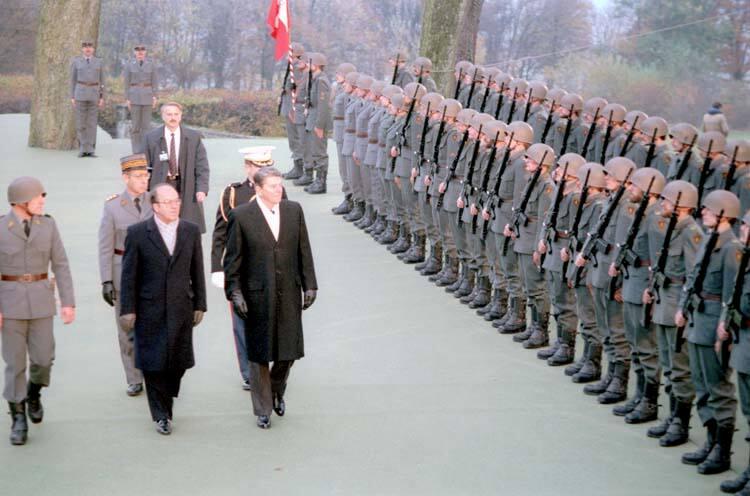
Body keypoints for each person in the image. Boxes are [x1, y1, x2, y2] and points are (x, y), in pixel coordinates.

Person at [223, 167, 317, 429]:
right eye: (273, 186)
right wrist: (235, 292)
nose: (279, 190)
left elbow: (304, 250)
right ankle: (263, 408)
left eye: (280, 185)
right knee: (259, 353)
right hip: (256, 295)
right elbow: (233, 261)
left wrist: (310, 285)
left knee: (288, 351)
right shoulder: (241, 216)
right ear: (258, 188)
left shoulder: (293, 210)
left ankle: (277, 389)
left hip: (288, 291)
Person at [119, 184, 207, 435]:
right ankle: (160, 414)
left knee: (178, 362)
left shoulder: (190, 231)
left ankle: (167, 395)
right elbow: (129, 275)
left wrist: (200, 303)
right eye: (167, 202)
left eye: (176, 201)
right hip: (149, 308)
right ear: (155, 207)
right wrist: (128, 309)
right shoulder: (137, 233)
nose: (174, 205)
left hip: (181, 305)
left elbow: (196, 269)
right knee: (153, 361)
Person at [0, 177, 75, 445]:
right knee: (15, 363)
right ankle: (18, 417)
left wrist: (67, 302)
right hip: (9, 306)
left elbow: (61, 264)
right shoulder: (1, 228)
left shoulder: (48, 225)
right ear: (20, 202)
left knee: (44, 359)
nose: (42, 201)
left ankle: (34, 393)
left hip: (42, 302)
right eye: (37, 197)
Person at [210, 147, 287, 390]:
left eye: (266, 166)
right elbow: (220, 233)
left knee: (275, 319)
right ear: (247, 167)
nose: (261, 171)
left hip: (271, 270)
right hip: (241, 270)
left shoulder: (278, 192)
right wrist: (217, 268)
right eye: (257, 166)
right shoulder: (233, 193)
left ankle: (271, 367)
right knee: (242, 324)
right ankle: (249, 373)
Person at [98, 154, 153, 397]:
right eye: (139, 176)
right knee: (127, 328)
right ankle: (133, 377)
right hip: (124, 274)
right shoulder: (112, 207)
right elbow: (105, 246)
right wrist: (106, 280)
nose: (144, 181)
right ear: (125, 178)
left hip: (153, 272)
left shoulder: (157, 201)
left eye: (146, 176)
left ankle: (153, 372)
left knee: (153, 327)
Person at [144, 102, 210, 233]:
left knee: (187, 226)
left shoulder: (194, 137)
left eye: (176, 114)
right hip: (162, 184)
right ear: (162, 116)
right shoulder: (151, 138)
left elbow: (202, 166)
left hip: (186, 186)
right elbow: (144, 167)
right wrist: (145, 190)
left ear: (181, 116)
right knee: (161, 225)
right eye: (169, 114)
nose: (172, 117)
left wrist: (201, 189)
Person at [70, 40, 104, 157]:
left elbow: (102, 80)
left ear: (93, 49)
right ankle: (82, 149)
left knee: (92, 124)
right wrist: (72, 96)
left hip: (94, 94)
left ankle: (90, 150)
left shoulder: (99, 62)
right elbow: (72, 80)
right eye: (85, 47)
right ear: (82, 49)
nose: (88, 49)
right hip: (80, 94)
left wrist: (101, 96)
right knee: (80, 123)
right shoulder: (76, 62)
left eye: (90, 47)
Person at [123, 44, 158, 153]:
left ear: (145, 52)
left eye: (142, 50)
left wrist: (155, 96)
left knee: (146, 126)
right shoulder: (129, 65)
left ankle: (145, 150)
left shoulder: (151, 65)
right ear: (135, 52)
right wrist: (127, 98)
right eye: (138, 51)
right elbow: (126, 83)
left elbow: (155, 82)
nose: (140, 52)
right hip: (134, 97)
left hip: (148, 96)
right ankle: (136, 150)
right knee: (135, 126)